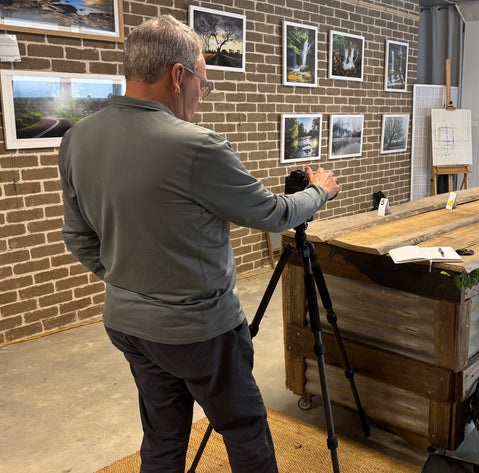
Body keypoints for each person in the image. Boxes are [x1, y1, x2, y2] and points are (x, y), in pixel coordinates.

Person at [58, 15, 339, 473]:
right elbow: (272, 213)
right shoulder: (197, 146)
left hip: (128, 324)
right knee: (244, 428)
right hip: (200, 330)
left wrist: (129, 281)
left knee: (163, 435)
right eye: (202, 84)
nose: (199, 97)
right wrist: (319, 191)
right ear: (177, 75)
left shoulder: (76, 138)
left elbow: (77, 236)